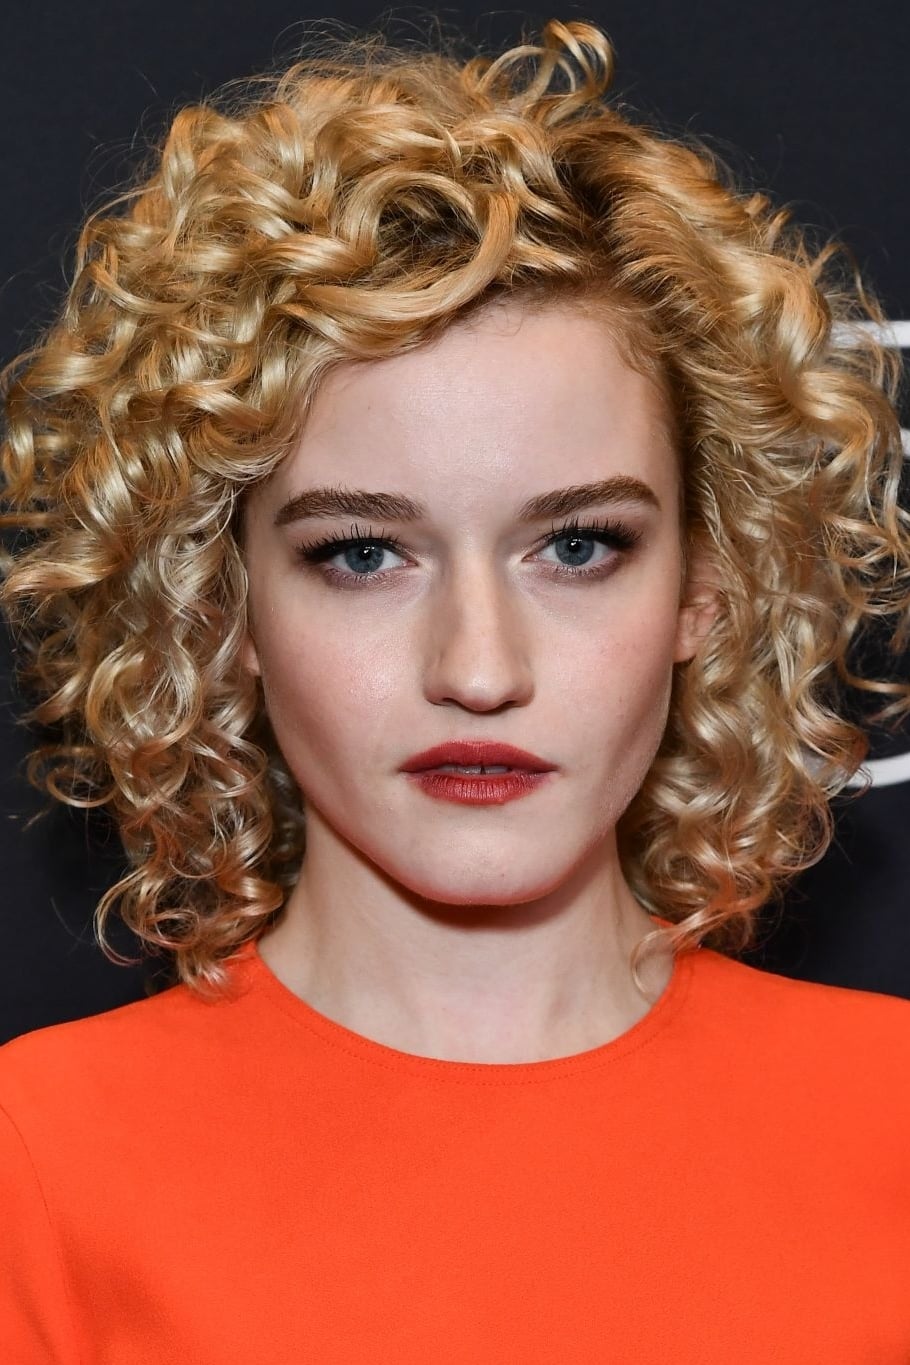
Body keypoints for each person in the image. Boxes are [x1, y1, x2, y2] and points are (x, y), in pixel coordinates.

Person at [1, 15, 909, 1361]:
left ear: (704, 586)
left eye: (578, 546)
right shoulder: (37, 1166)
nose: (478, 671)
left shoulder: (890, 1120)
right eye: (362, 554)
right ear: (221, 603)